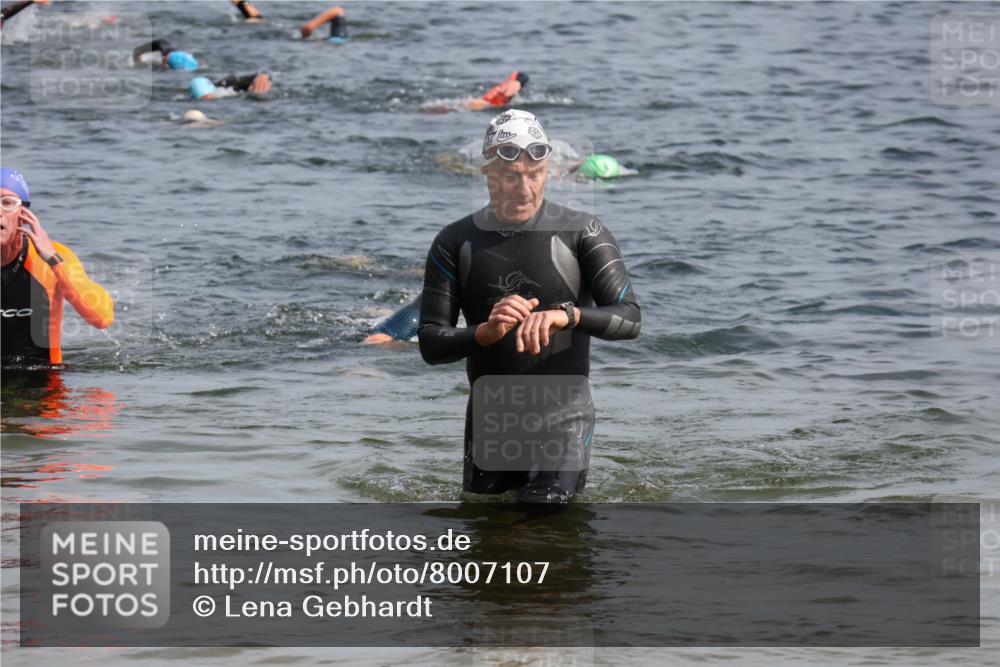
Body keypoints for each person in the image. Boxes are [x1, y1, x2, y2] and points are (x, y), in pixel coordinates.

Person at [417, 110, 640, 502]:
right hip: (490, 424)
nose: (524, 189)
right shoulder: (454, 242)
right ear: (487, 173)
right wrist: (483, 333)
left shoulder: (584, 232)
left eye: (534, 174)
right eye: (510, 176)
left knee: (544, 507)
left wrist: (568, 315)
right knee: (485, 531)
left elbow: (630, 318)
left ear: (548, 171)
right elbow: (431, 343)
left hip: (564, 420)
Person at [1, 168, 114, 368]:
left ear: (24, 214)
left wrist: (53, 261)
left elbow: (101, 318)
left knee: (105, 398)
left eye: (7, 203)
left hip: (46, 385)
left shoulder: (54, 257)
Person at [462, 71, 529, 111]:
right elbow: (507, 94)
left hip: (482, 101)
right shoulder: (515, 84)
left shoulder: (510, 83)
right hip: (485, 103)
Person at [189, 72, 271, 99]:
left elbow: (256, 75)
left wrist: (263, 76)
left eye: (209, 96)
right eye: (203, 98)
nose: (208, 100)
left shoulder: (226, 87)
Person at [133, 38, 198, 70]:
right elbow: (165, 58)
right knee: (137, 51)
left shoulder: (175, 55)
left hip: (168, 47)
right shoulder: (167, 52)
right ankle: (137, 59)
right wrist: (163, 67)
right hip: (159, 44)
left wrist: (163, 67)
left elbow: (165, 58)